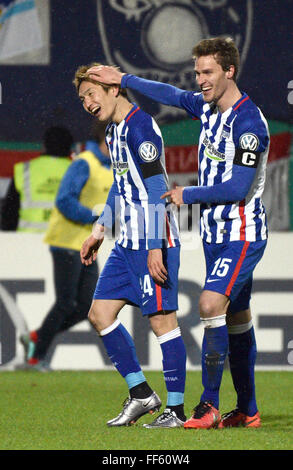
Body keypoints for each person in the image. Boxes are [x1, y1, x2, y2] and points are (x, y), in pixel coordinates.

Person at [88, 36, 270, 429]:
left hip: (241, 231)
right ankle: (248, 410)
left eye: (207, 72)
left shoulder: (249, 122)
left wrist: (187, 193)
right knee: (237, 318)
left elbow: (239, 187)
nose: (200, 80)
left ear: (229, 71)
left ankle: (205, 405)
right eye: (197, 73)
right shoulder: (207, 110)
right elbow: (168, 93)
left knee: (208, 306)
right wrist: (125, 76)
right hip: (214, 234)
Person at [75, 62, 187, 428]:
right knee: (99, 314)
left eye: (92, 93)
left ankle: (176, 410)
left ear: (113, 88)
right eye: (82, 98)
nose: (88, 103)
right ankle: (141, 394)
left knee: (161, 321)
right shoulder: (113, 132)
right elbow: (119, 185)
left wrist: (155, 246)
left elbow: (157, 189)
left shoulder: (141, 127)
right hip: (128, 243)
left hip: (155, 240)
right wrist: (99, 230)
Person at [21, 120, 113, 370]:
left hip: (86, 244)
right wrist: (94, 217)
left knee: (86, 307)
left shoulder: (110, 168)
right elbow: (64, 200)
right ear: (107, 139)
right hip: (66, 241)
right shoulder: (85, 162)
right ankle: (36, 358)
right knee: (65, 302)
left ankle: (38, 336)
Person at [12, 126, 73, 232]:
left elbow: (9, 216)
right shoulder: (80, 171)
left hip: (25, 243)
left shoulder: (24, 170)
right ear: (69, 148)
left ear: (44, 146)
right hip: (65, 244)